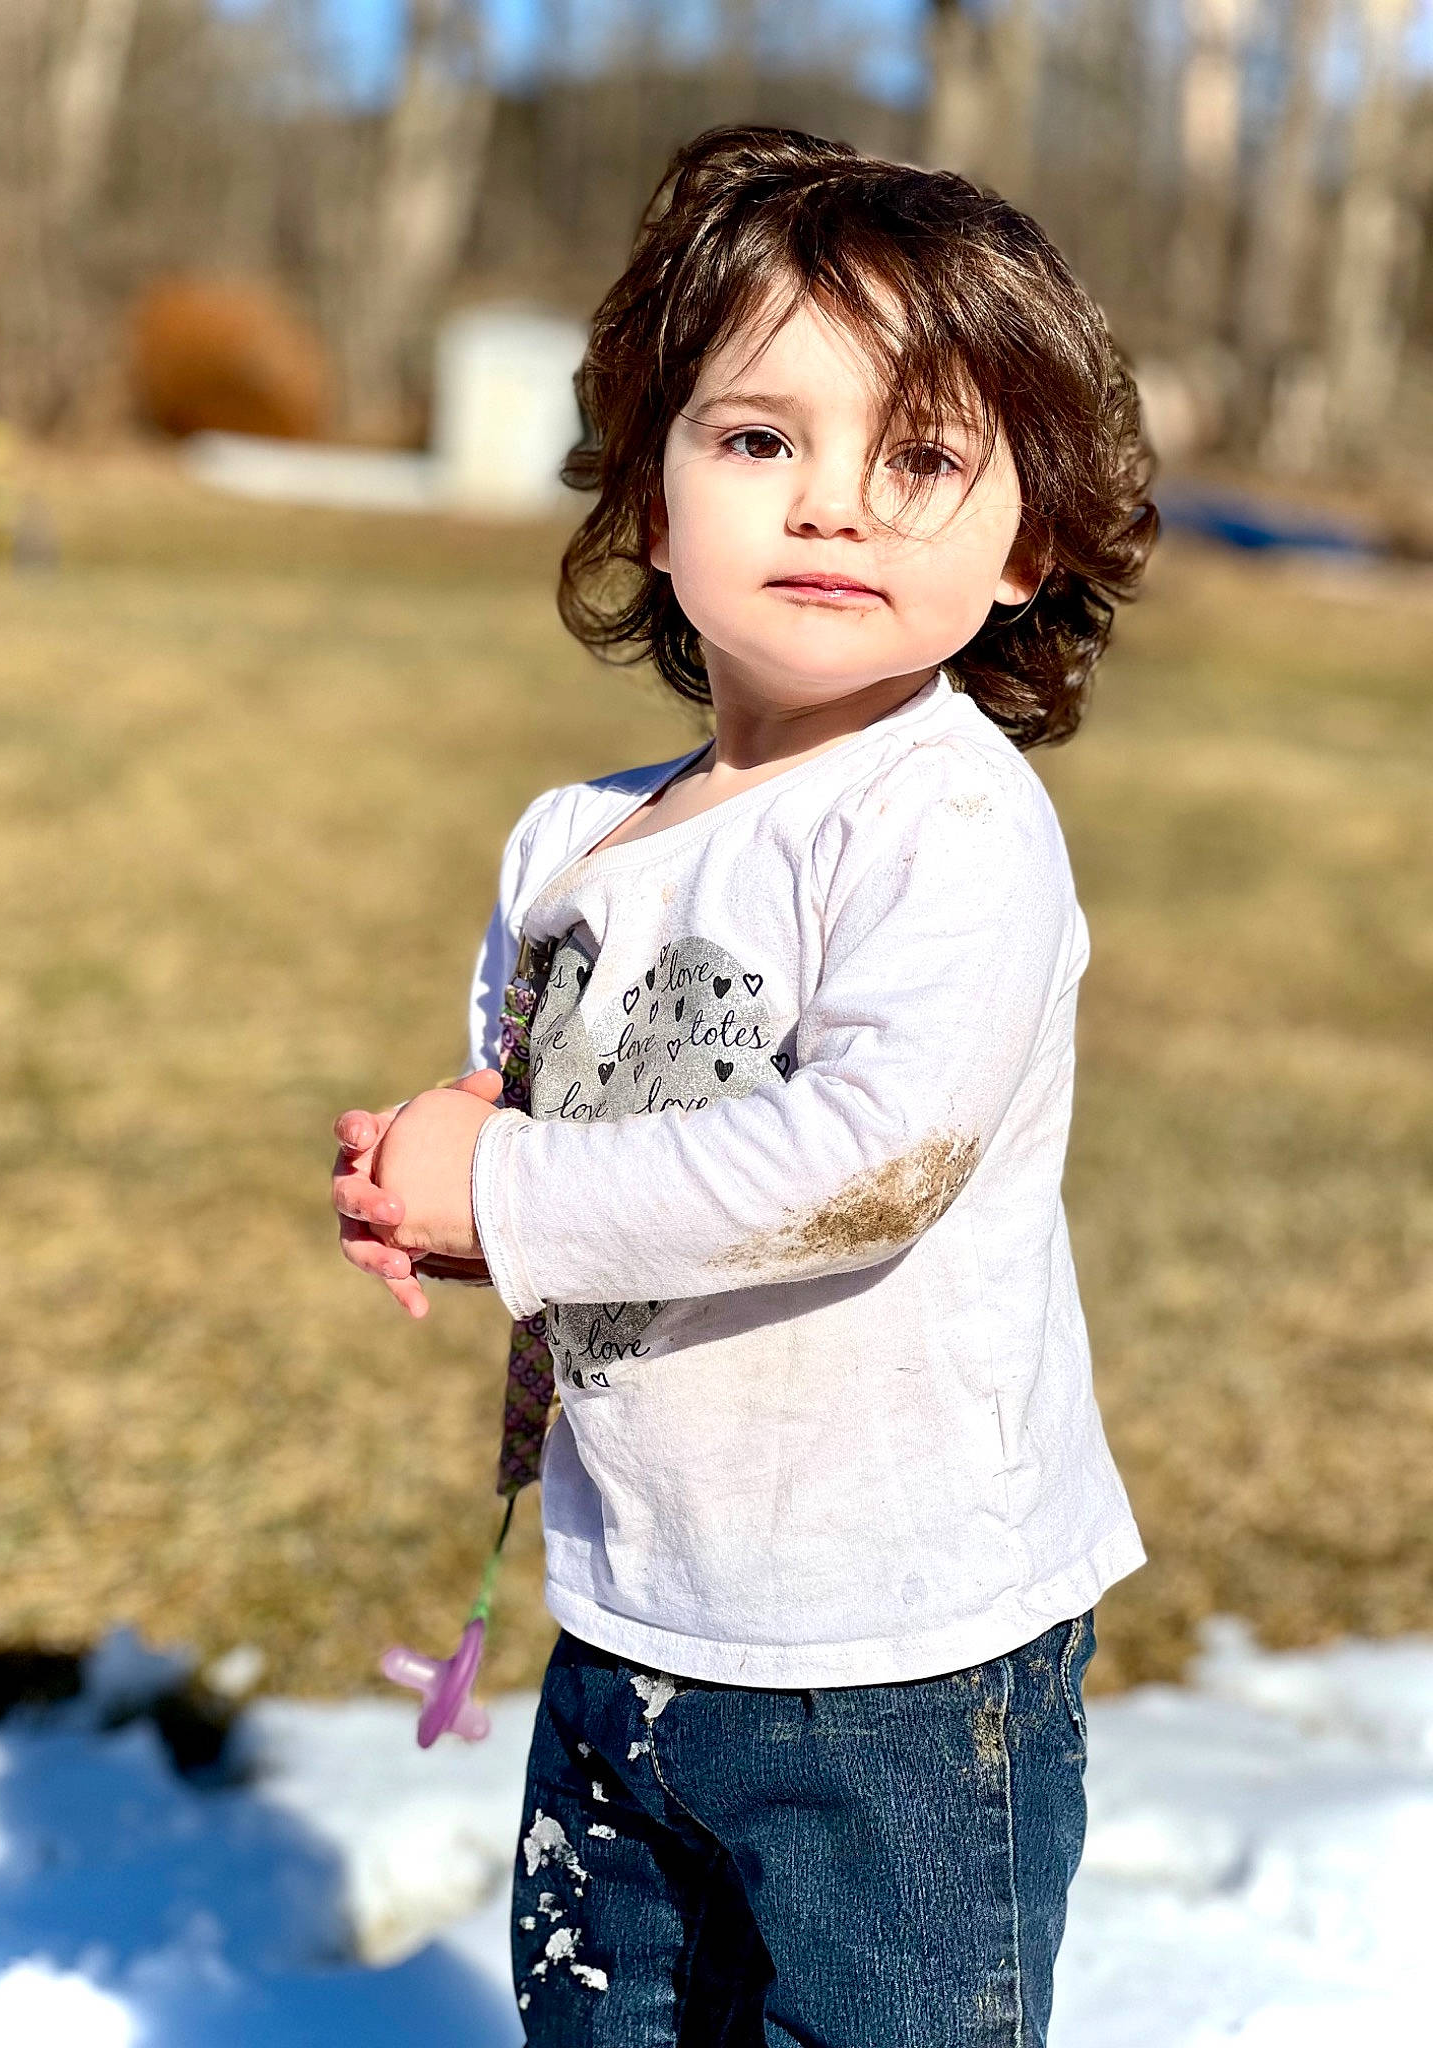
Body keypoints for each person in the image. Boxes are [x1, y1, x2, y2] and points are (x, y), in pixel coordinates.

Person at [331, 125, 1155, 2048]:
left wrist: (511, 1198)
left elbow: (869, 1163)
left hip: (898, 1656)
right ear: (650, 490)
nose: (834, 507)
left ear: (1027, 541)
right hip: (637, 1614)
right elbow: (554, 1132)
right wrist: (433, 1177)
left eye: (923, 458)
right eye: (759, 438)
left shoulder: (950, 822)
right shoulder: (574, 843)